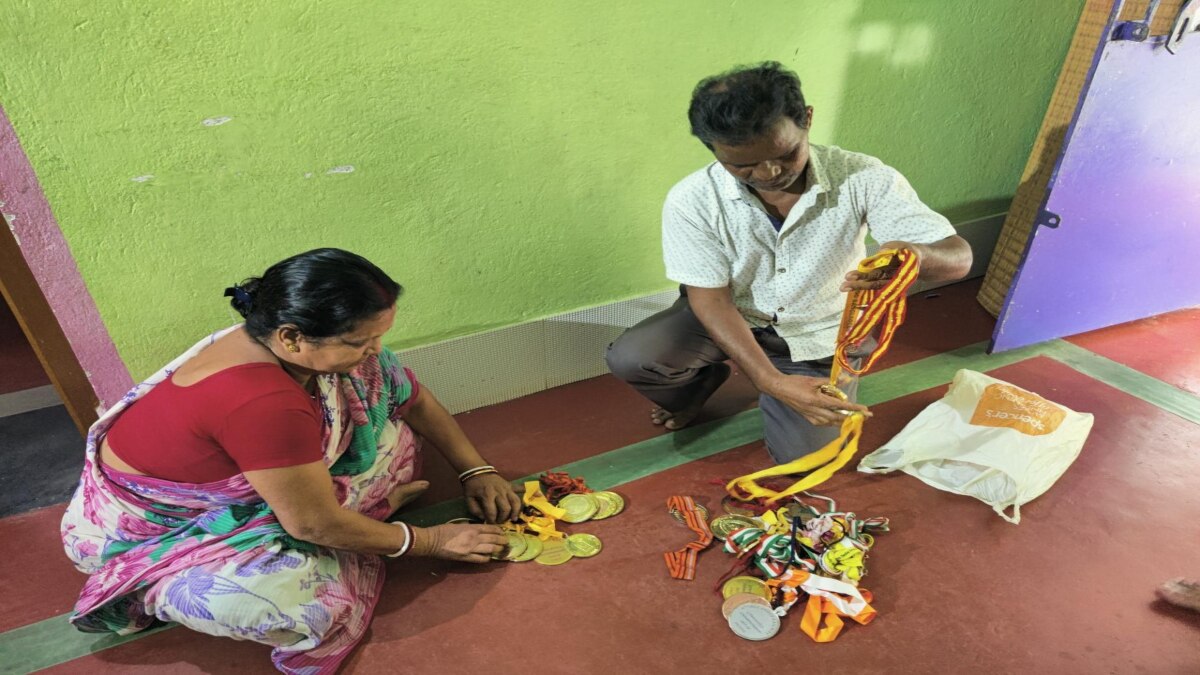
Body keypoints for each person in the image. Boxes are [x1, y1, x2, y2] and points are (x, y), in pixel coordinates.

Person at [60, 248, 522, 673]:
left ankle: (353, 517)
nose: (375, 351)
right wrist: (430, 541)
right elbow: (310, 524)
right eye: (360, 340)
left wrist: (476, 469)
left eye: (378, 336)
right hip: (153, 526)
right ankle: (187, 578)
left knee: (396, 444)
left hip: (270, 483)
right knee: (303, 607)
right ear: (292, 336)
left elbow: (415, 400)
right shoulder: (263, 401)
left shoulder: (294, 350)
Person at [606, 62, 972, 463]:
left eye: (785, 153)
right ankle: (699, 387)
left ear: (808, 119)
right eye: (742, 165)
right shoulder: (693, 199)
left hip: (819, 332)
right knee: (636, 357)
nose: (769, 173)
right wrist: (769, 380)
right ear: (713, 148)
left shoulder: (863, 177)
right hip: (735, 314)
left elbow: (959, 259)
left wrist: (916, 257)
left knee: (806, 460)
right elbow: (710, 300)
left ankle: (791, 389)